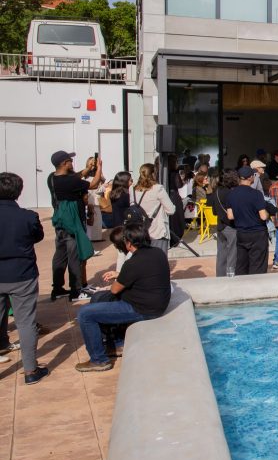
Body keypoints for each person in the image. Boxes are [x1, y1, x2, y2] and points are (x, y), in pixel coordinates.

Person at [74, 224, 171, 373]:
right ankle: (117, 343)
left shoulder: (132, 263)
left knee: (85, 314)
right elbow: (143, 274)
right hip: (156, 303)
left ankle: (98, 360)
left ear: (129, 243)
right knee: (98, 298)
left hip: (142, 309)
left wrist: (118, 278)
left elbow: (115, 289)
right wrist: (119, 275)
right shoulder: (158, 253)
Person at [0, 173, 49, 384]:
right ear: (19, 192)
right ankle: (30, 371)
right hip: (22, 274)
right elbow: (38, 236)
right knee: (25, 322)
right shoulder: (28, 217)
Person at [47, 150, 103, 302]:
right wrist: (99, 168)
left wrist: (87, 169)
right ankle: (76, 291)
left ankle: (57, 289)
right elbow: (93, 184)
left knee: (60, 256)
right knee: (75, 256)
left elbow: (75, 177)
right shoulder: (70, 182)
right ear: (64, 163)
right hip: (72, 224)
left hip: (60, 223)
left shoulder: (52, 178)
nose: (72, 162)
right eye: (70, 161)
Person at [225, 166, 270, 276]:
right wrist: (269, 213)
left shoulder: (231, 194)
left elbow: (230, 216)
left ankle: (242, 285)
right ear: (250, 177)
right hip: (257, 233)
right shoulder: (256, 194)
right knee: (257, 266)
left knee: (241, 265)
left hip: (241, 233)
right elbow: (263, 216)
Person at [131, 163, 176, 254]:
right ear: (154, 174)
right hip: (157, 230)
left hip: (140, 231)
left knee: (143, 258)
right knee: (159, 258)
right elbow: (171, 210)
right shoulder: (158, 189)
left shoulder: (133, 189)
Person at [209, 170, 238, 277]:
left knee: (221, 254)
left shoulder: (216, 191)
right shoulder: (231, 193)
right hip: (231, 226)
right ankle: (230, 276)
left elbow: (214, 211)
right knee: (232, 254)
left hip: (220, 226)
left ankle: (220, 277)